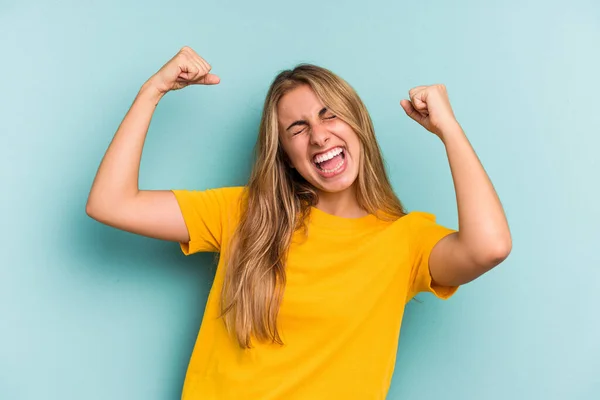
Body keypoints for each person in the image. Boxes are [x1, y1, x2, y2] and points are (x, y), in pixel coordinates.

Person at [86, 46, 512, 399]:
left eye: (330, 115)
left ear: (358, 125)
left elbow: (490, 246)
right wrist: (152, 91)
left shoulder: (406, 240)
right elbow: (111, 202)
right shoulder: (246, 213)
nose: (319, 136)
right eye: (297, 128)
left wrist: (448, 130)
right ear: (285, 155)